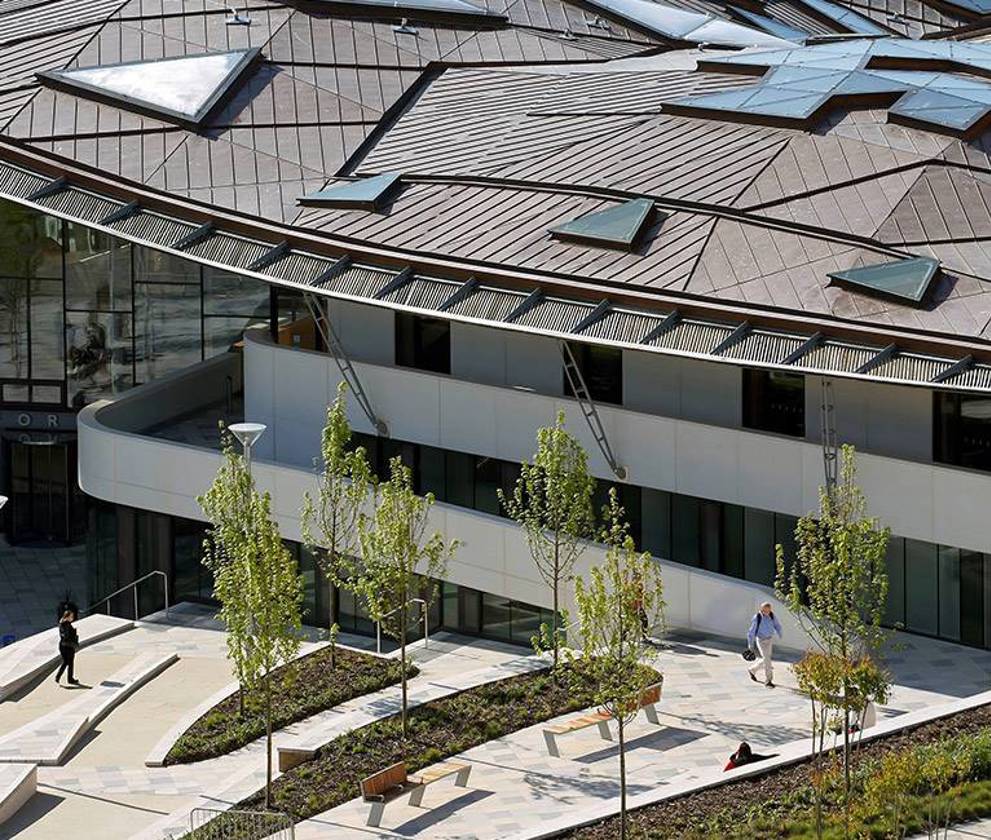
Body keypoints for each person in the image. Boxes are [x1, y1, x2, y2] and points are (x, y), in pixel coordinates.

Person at [746, 601, 783, 688]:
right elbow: (751, 632)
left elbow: (777, 625)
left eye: (769, 611)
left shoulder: (772, 616)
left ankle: (752, 670)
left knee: (766, 659)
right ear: (761, 610)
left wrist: (779, 633)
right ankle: (768, 680)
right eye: (765, 611)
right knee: (767, 659)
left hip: (769, 640)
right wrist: (750, 646)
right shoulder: (757, 618)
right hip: (761, 640)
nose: (767, 613)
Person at [54, 609, 80, 686]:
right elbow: (67, 636)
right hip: (68, 646)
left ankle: (60, 677)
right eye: (71, 616)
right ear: (67, 617)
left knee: (66, 662)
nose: (73, 618)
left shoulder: (62, 624)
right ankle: (68, 679)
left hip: (63, 645)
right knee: (69, 662)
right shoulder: (67, 625)